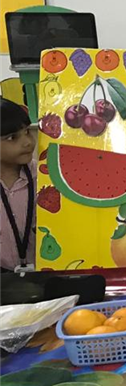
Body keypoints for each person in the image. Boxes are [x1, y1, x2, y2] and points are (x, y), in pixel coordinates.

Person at [0, 99, 37, 272]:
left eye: (27, 131)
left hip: (46, 273)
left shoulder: (45, 176)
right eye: (12, 137)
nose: (28, 142)